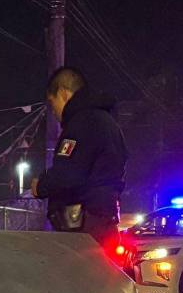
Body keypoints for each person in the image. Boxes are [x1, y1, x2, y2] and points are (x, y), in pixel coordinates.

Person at [31, 67, 127, 246]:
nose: (55, 114)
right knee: (104, 274)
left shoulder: (81, 123)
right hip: (106, 221)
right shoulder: (109, 123)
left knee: (75, 274)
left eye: (53, 105)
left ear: (63, 94)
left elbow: (67, 175)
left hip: (83, 229)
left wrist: (41, 185)